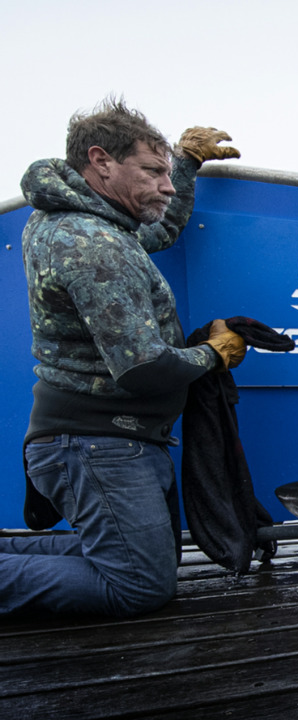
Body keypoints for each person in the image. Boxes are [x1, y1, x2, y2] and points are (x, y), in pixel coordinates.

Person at [0, 98, 247, 616]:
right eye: (153, 171)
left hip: (101, 440)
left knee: (140, 562)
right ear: (101, 161)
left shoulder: (85, 222)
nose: (167, 186)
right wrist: (214, 354)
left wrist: (183, 161)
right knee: (139, 584)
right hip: (96, 445)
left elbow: (158, 231)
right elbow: (143, 370)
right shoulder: (90, 242)